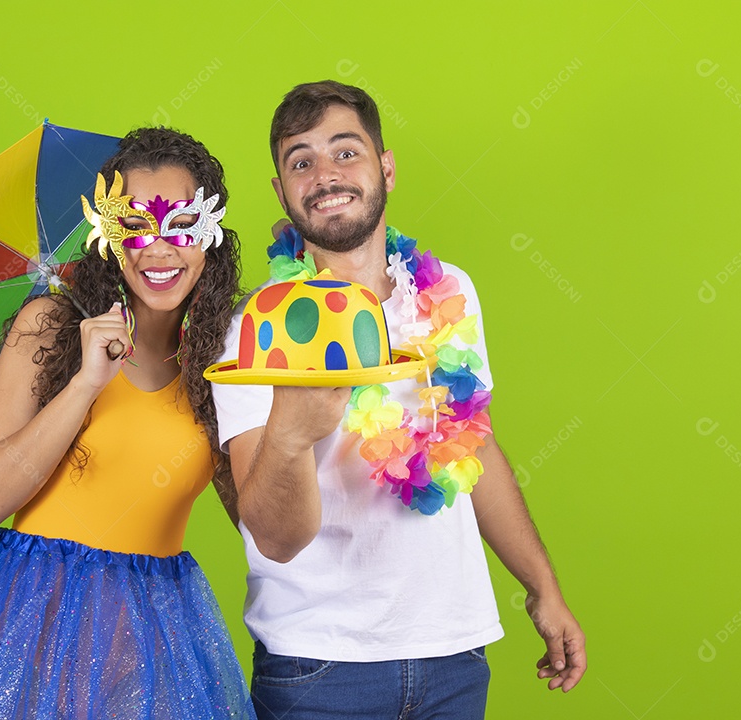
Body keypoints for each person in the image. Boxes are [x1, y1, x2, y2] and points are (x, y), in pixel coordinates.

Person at [210, 81, 586, 719]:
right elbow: (271, 537)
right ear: (281, 191)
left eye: (345, 151)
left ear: (386, 166)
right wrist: (291, 434)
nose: (325, 175)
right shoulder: (260, 325)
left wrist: (540, 585)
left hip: (455, 652)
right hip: (320, 667)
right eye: (300, 161)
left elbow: (472, 443)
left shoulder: (449, 292)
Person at [0, 127, 255, 719]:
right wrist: (85, 383)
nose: (159, 250)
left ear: (210, 238)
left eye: (182, 225)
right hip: (36, 624)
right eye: (136, 227)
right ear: (108, 236)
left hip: (158, 643)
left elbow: (260, 525)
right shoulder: (50, 325)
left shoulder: (223, 359)